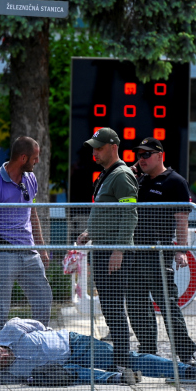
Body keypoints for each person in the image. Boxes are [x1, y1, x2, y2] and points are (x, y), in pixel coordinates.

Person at [128, 137, 196, 364]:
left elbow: (182, 218)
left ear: (160, 155)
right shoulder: (139, 181)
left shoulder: (175, 181)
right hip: (135, 251)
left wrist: (181, 250)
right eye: (139, 155)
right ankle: (148, 352)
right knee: (137, 305)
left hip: (158, 251)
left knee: (167, 303)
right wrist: (131, 175)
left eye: (146, 154)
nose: (142, 159)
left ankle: (186, 354)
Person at [75, 128, 138, 369]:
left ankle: (122, 362)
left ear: (114, 147)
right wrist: (90, 232)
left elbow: (130, 215)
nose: (95, 152)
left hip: (113, 251)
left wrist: (119, 250)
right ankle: (120, 360)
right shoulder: (108, 174)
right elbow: (108, 213)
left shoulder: (121, 175)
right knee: (110, 306)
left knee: (113, 305)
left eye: (99, 148)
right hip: (103, 248)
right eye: (93, 148)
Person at [0, 317, 196, 385]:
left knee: (126, 358)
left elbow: (34, 324)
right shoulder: (14, 371)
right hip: (66, 365)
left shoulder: (10, 330)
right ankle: (118, 379)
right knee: (75, 374)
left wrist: (48, 333)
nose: (3, 356)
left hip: (75, 344)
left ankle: (183, 370)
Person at [0, 136, 52, 341]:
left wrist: (42, 249)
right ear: (23, 158)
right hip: (4, 252)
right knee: (0, 308)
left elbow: (33, 214)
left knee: (43, 299)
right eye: (35, 158)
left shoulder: (30, 179)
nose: (37, 162)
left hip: (29, 252)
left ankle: (39, 348)